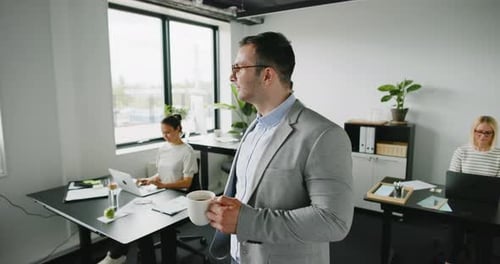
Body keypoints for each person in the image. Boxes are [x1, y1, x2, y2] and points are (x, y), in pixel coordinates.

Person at [206, 32, 353, 264]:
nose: (231, 77)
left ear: (267, 75)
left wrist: (246, 222)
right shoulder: (254, 127)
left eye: (238, 68)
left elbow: (333, 221)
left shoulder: (324, 135)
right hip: (240, 256)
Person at [98, 114, 198, 264]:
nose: (165, 136)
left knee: (154, 221)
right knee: (135, 214)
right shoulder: (163, 148)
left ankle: (121, 256)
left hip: (179, 195)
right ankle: (117, 255)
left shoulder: (187, 151)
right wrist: (150, 180)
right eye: (163, 133)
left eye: (168, 132)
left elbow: (187, 183)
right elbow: (162, 172)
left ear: (178, 129)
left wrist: (163, 185)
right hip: (163, 192)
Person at [446, 115, 500, 264]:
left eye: (487, 133)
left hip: (487, 205)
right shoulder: (461, 151)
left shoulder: (498, 155)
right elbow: (453, 180)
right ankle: (450, 259)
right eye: (479, 131)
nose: (482, 136)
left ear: (493, 134)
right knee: (455, 226)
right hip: (461, 202)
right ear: (473, 131)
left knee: (485, 231)